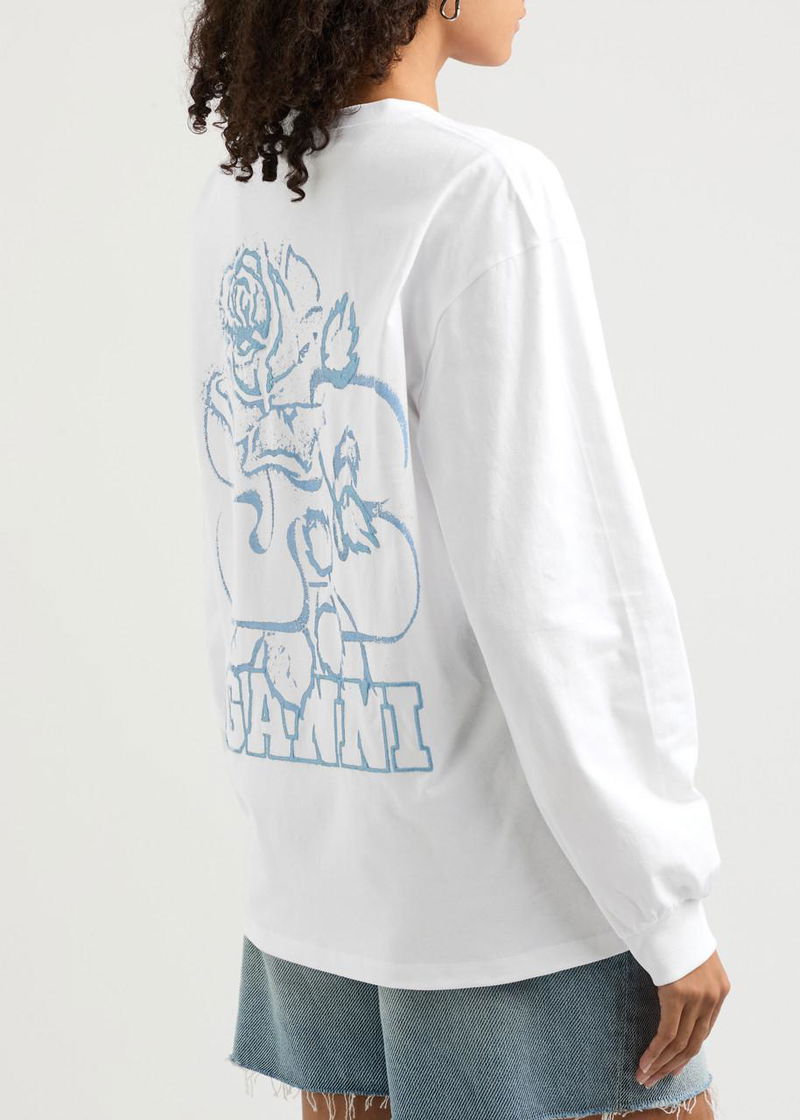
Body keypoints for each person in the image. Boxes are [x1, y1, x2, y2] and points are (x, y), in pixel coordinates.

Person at [185, 1, 730, 1117]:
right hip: (510, 913)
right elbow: (557, 577)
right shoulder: (482, 191)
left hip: (320, 888)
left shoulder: (243, 195)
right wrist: (665, 899)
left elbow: (237, 562)